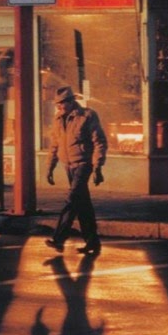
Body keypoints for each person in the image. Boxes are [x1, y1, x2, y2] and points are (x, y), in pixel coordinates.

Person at [45, 85, 108, 255]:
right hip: (68, 165)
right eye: (57, 103)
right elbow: (55, 145)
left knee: (72, 199)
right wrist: (50, 167)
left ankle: (59, 239)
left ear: (72, 101)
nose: (59, 106)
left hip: (83, 164)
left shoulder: (87, 116)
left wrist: (97, 167)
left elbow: (99, 142)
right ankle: (92, 241)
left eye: (62, 103)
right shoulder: (58, 119)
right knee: (82, 205)